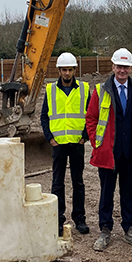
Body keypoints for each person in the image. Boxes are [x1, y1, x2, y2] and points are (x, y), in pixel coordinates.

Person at [87, 48, 132, 251]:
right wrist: (97, 143)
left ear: (131, 68)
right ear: (113, 67)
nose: (122, 70)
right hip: (108, 152)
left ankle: (129, 229)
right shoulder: (101, 91)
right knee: (106, 192)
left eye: (125, 67)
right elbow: (92, 118)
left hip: (129, 152)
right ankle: (105, 230)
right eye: (119, 66)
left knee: (127, 193)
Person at [41, 52, 91, 237]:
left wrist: (85, 136)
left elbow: (91, 115)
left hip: (77, 143)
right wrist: (49, 138)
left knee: (78, 182)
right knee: (57, 183)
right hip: (59, 144)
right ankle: (58, 218)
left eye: (70, 70)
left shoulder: (85, 89)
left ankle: (80, 218)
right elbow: (44, 116)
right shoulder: (50, 90)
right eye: (64, 70)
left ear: (74, 70)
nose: (67, 73)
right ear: (59, 70)